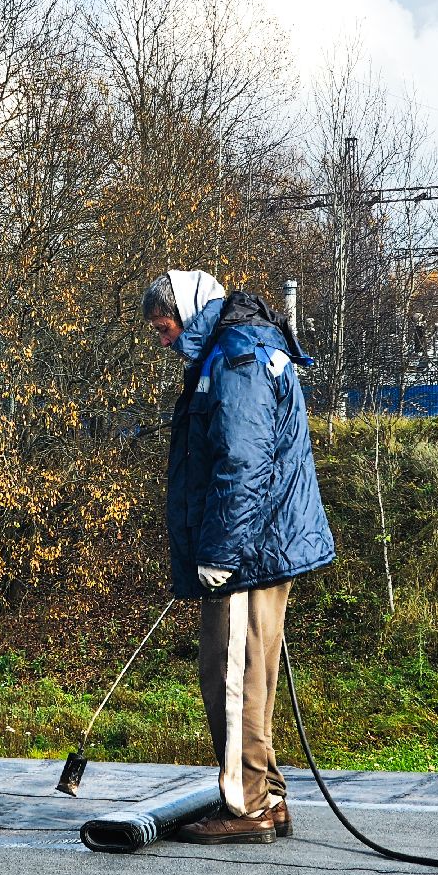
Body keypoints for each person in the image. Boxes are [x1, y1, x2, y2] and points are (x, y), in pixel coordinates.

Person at [143, 269, 335, 845]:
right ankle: (265, 795)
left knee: (231, 676)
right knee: (252, 675)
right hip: (260, 544)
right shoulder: (239, 348)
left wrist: (220, 552)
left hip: (246, 551)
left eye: (166, 325)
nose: (165, 338)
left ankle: (245, 807)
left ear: (190, 309)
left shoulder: (236, 358)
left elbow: (242, 461)